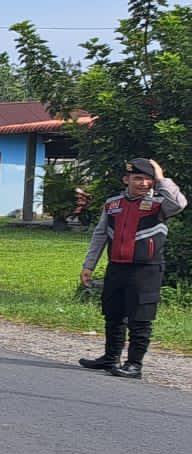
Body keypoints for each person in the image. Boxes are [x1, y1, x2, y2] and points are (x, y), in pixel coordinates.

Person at [78, 158, 185, 379]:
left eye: (148, 179)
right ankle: (111, 358)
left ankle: (134, 365)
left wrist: (161, 178)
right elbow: (100, 235)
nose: (143, 183)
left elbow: (179, 204)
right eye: (137, 178)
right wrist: (89, 265)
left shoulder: (160, 204)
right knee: (113, 314)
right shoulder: (112, 204)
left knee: (140, 318)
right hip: (117, 267)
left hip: (146, 270)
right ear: (126, 180)